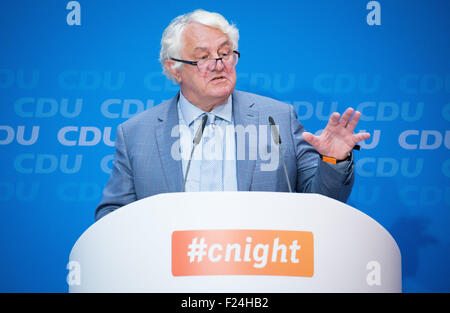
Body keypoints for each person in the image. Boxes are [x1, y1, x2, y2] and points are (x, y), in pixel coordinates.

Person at [95, 9, 370, 221]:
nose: (219, 65)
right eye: (203, 57)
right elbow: (113, 216)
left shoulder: (278, 119)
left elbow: (323, 205)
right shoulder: (136, 134)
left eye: (225, 53)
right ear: (175, 69)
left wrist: (334, 159)